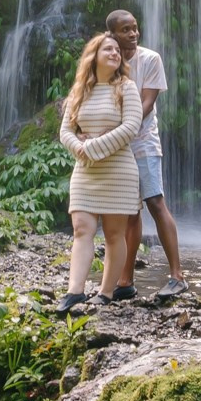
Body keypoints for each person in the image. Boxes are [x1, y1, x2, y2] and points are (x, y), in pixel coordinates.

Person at [55, 32, 143, 311]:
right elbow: (66, 131)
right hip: (85, 170)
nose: (116, 53)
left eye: (118, 50)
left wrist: (91, 146)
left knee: (114, 234)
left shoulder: (127, 88)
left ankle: (105, 292)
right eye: (109, 49)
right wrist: (80, 149)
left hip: (118, 170)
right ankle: (74, 292)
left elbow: (131, 127)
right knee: (82, 228)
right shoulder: (80, 91)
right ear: (94, 55)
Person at [107, 9, 189, 297]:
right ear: (112, 35)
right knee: (130, 212)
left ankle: (177, 276)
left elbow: (146, 104)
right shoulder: (108, 62)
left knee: (155, 202)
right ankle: (125, 282)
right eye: (126, 30)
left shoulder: (151, 59)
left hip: (142, 142)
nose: (133, 34)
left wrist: (116, 129)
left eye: (135, 28)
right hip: (116, 145)